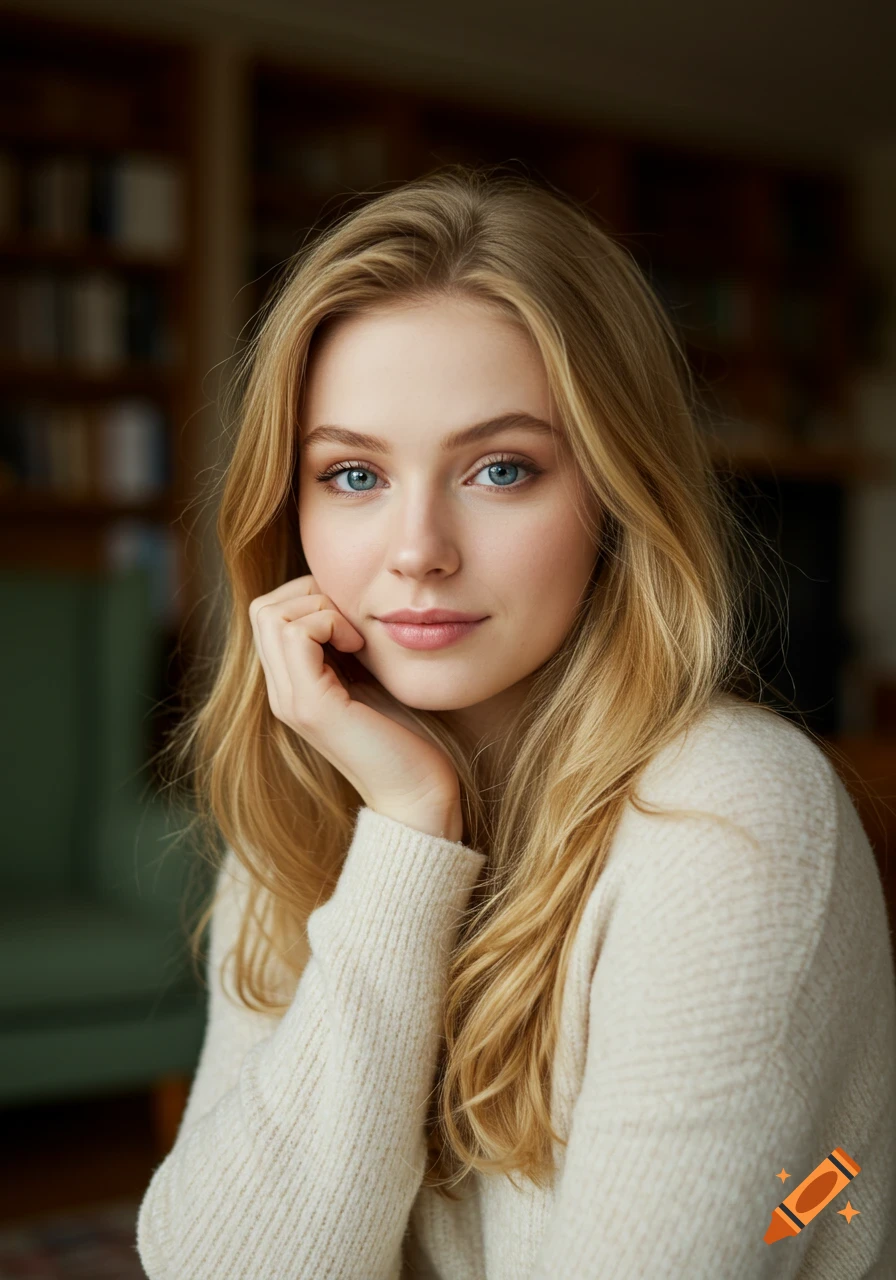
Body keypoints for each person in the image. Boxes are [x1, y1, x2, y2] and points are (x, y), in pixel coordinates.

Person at [136, 165, 896, 1279]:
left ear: (615, 490)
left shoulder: (729, 812)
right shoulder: (313, 799)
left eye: (499, 468)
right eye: (351, 473)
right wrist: (406, 833)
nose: (415, 549)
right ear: (288, 511)